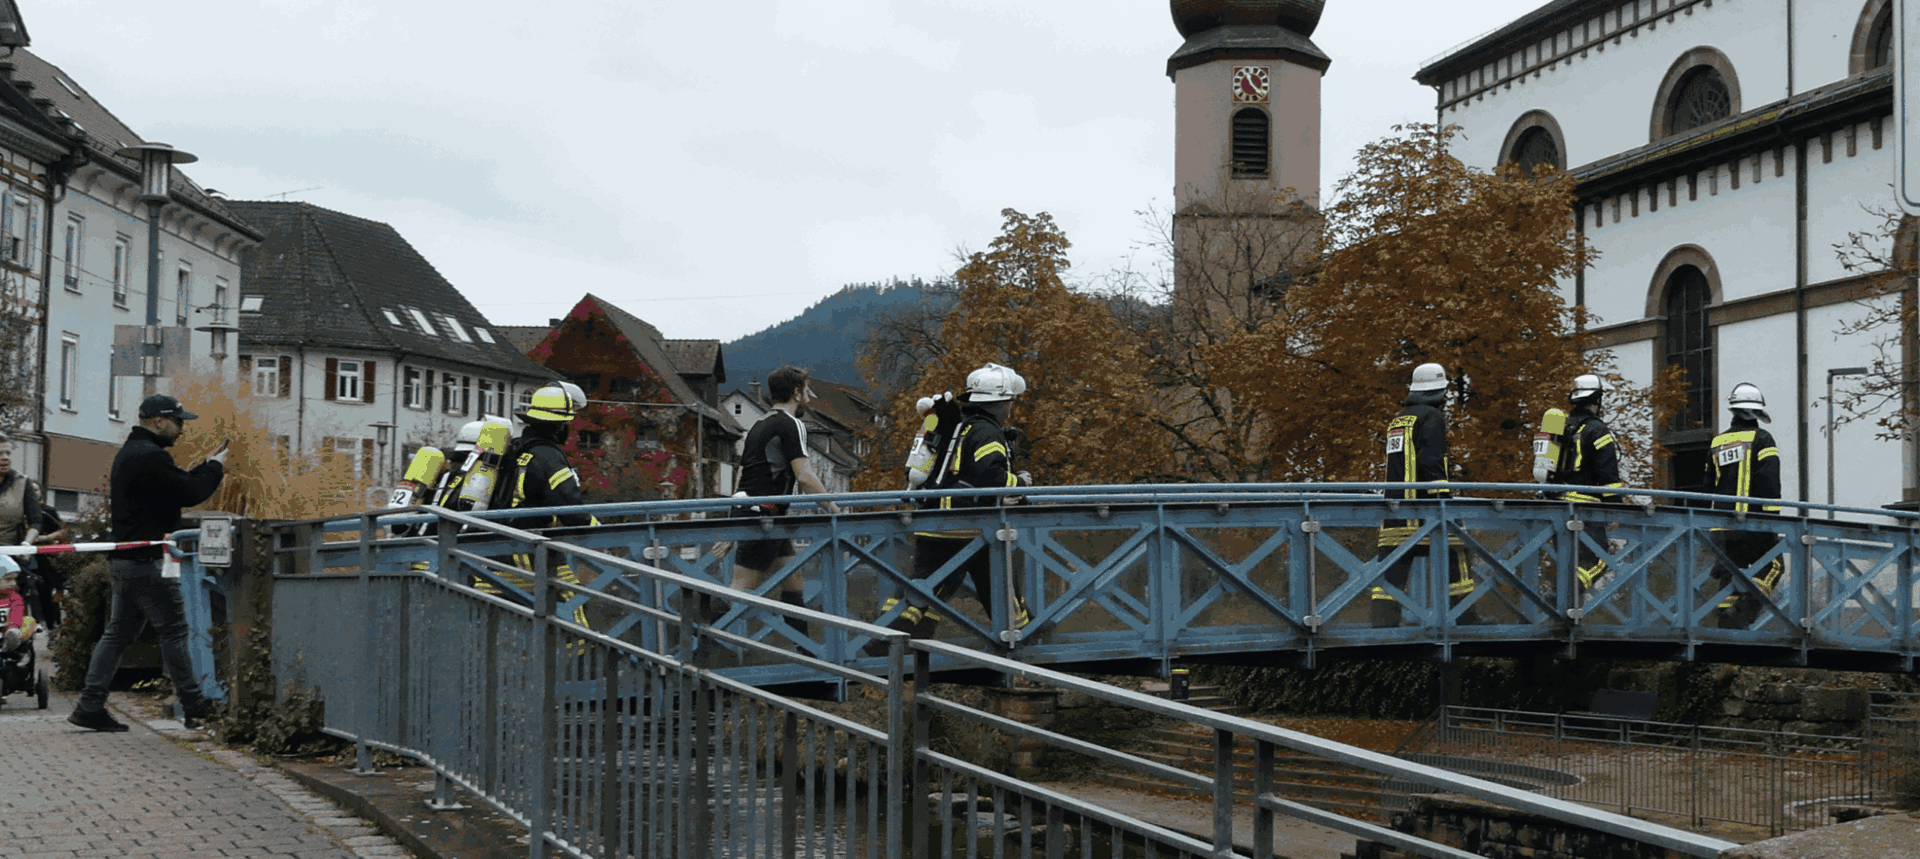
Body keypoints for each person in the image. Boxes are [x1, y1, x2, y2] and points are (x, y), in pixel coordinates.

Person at [70, 394, 225, 732]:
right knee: (174, 631)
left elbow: (178, 484)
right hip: (147, 561)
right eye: (178, 421)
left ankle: (89, 705)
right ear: (158, 421)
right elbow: (190, 492)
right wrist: (215, 468)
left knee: (118, 634)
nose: (182, 429)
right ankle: (194, 706)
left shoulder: (133, 453)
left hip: (125, 561)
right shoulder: (151, 457)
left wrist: (205, 467)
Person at [876, 362, 1033, 644]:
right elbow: (990, 476)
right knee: (996, 584)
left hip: (938, 519)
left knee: (930, 588)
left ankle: (899, 643)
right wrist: (1020, 482)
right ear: (1000, 402)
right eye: (1011, 400)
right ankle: (1026, 642)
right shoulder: (986, 432)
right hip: (967, 525)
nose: (1011, 406)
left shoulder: (957, 425)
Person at [726, 366, 840, 624]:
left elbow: (742, 475)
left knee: (793, 580)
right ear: (796, 393)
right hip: (764, 514)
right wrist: (835, 510)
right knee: (741, 587)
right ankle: (699, 637)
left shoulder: (758, 425)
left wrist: (731, 518)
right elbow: (805, 477)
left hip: (759, 511)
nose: (809, 397)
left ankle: (802, 647)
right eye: (807, 390)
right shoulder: (791, 424)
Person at [1370, 363, 1478, 627]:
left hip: (1395, 510)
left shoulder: (1399, 419)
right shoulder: (1432, 417)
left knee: (1393, 568)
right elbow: (1432, 462)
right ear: (1439, 391)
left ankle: (1382, 623)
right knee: (1458, 549)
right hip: (1422, 512)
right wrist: (1443, 500)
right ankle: (1465, 617)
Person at [487, 383, 592, 627]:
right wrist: (599, 530)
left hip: (493, 549)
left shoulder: (514, 449)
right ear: (559, 427)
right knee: (572, 602)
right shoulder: (548, 457)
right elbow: (575, 514)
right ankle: (576, 650)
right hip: (527, 551)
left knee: (503, 622)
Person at [1706, 383, 1785, 629]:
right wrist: (1771, 520)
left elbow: (1708, 485)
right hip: (1752, 523)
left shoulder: (1717, 442)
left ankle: (1726, 621)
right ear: (1756, 412)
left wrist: (1708, 523)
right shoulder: (1762, 439)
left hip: (1720, 526)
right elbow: (1769, 481)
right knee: (1774, 566)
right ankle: (1746, 610)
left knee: (1732, 570)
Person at [1554, 373, 1625, 593]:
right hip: (1586, 510)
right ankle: (1568, 592)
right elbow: (1608, 476)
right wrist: (1616, 509)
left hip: (1555, 507)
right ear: (1597, 399)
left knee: (1568, 563)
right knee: (1600, 559)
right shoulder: (1596, 429)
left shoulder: (1562, 427)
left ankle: (1560, 601)